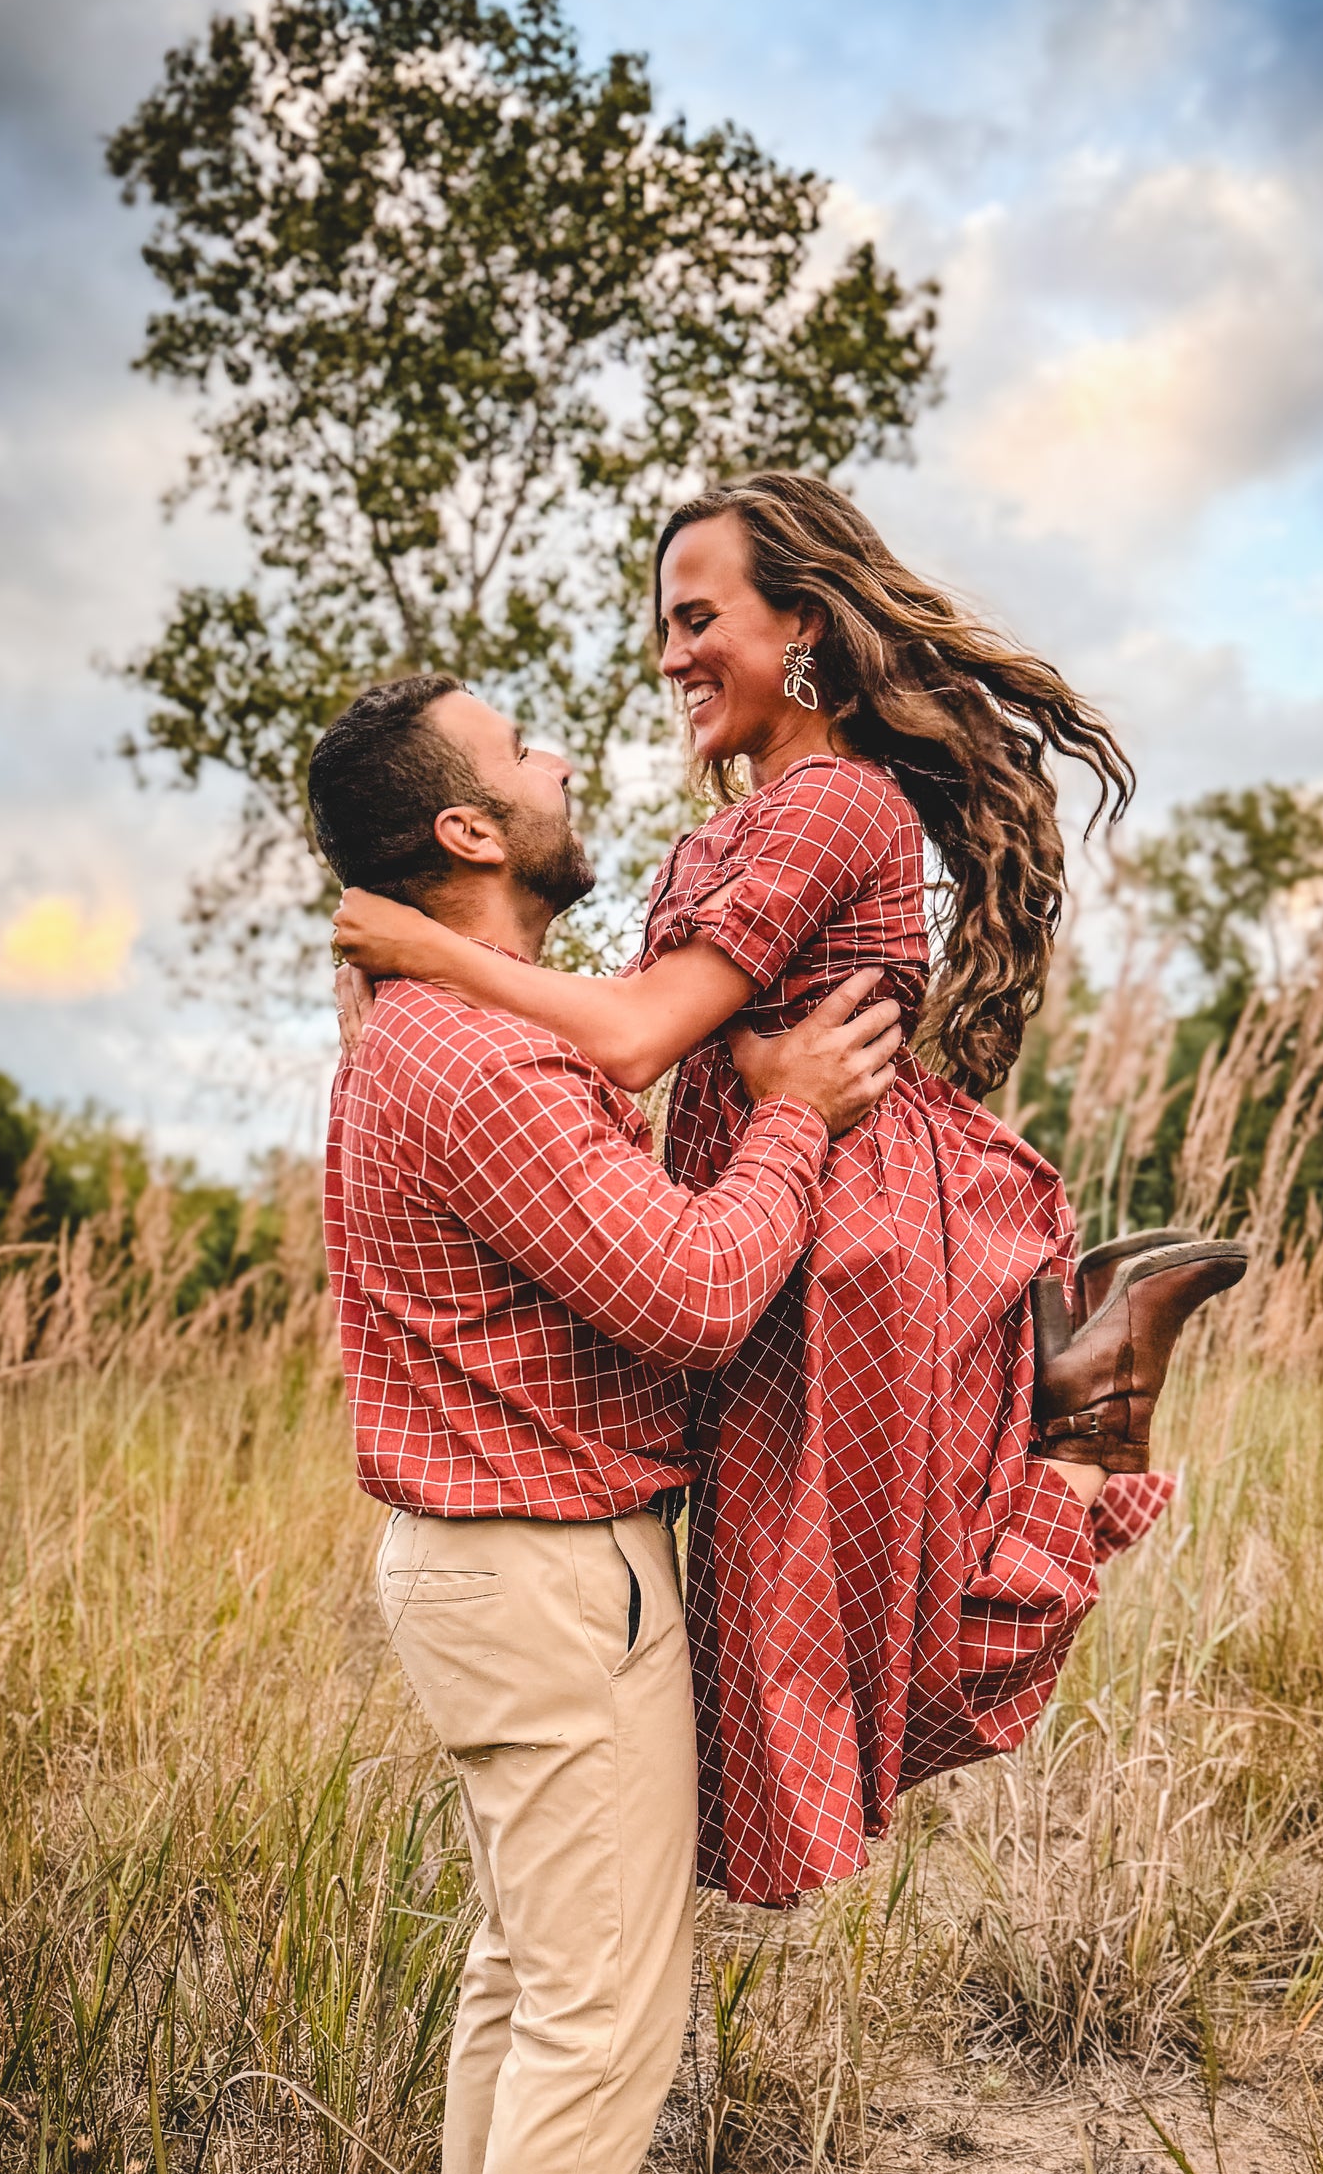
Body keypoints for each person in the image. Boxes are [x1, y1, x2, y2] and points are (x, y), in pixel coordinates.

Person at [333, 473, 1245, 1912]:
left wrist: (424, 950)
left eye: (700, 618)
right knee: (786, 1651)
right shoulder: (731, 829)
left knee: (895, 1636)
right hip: (768, 1229)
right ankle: (1084, 1383)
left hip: (848, 1239)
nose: (666, 653)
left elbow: (632, 1035)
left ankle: (1091, 1411)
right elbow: (649, 1036)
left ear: (804, 626)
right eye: (662, 623)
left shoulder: (836, 801)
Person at [314, 670, 904, 2174]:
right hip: (547, 1581)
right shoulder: (477, 1063)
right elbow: (699, 1292)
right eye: (523, 753)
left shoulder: (446, 1030)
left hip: (506, 1571)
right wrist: (797, 1113)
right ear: (468, 834)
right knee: (596, 2019)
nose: (568, 758)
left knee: (521, 1978)